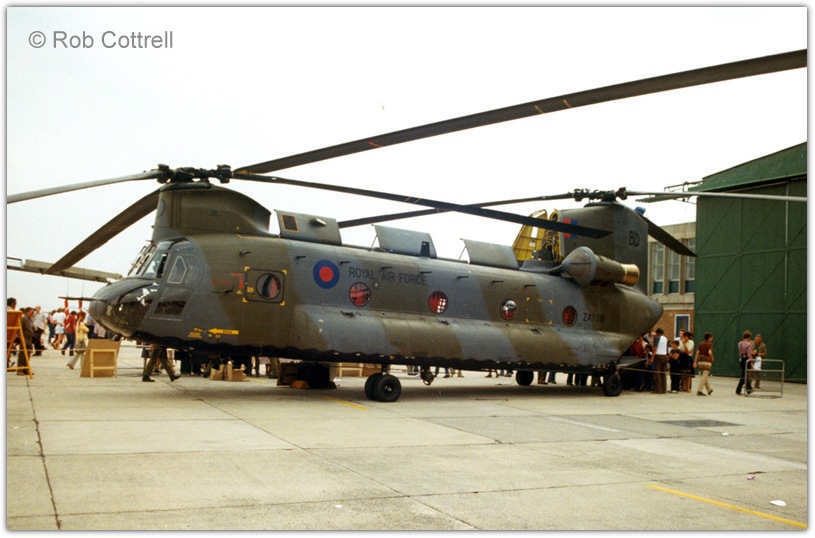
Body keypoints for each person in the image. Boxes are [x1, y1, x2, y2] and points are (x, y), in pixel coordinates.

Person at [735, 330, 754, 395]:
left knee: (744, 373)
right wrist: (751, 361)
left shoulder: (740, 343)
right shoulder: (749, 344)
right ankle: (748, 389)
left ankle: (741, 389)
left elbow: (740, 352)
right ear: (749, 337)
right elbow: (749, 354)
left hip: (741, 359)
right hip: (746, 359)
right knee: (745, 374)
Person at [652, 328, 669, 394]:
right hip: (664, 355)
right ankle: (664, 389)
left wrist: (652, 358)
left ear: (657, 333)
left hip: (658, 356)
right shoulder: (665, 338)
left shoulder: (657, 338)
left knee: (657, 373)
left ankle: (659, 390)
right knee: (663, 373)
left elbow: (655, 348)